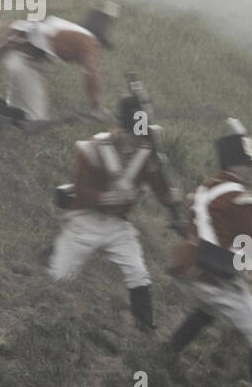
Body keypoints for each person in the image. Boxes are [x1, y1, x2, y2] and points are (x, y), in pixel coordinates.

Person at [167, 118, 252, 387]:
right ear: (237, 165)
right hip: (213, 274)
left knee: (207, 309)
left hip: (187, 266)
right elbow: (249, 247)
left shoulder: (208, 186)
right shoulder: (242, 198)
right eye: (248, 164)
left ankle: (167, 354)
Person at [49, 95, 181, 332]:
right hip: (85, 221)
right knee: (59, 278)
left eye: (139, 135)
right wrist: (104, 197)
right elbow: (79, 190)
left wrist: (170, 197)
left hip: (118, 225)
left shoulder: (146, 155)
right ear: (121, 129)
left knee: (138, 272)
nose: (133, 142)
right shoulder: (93, 149)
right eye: (131, 134)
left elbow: (160, 189)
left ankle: (145, 327)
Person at [0, 4, 118, 123]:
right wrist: (96, 108)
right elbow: (91, 73)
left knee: (16, 106)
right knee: (33, 118)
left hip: (18, 58)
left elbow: (41, 52)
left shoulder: (68, 29)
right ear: (99, 39)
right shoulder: (90, 43)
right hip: (23, 63)